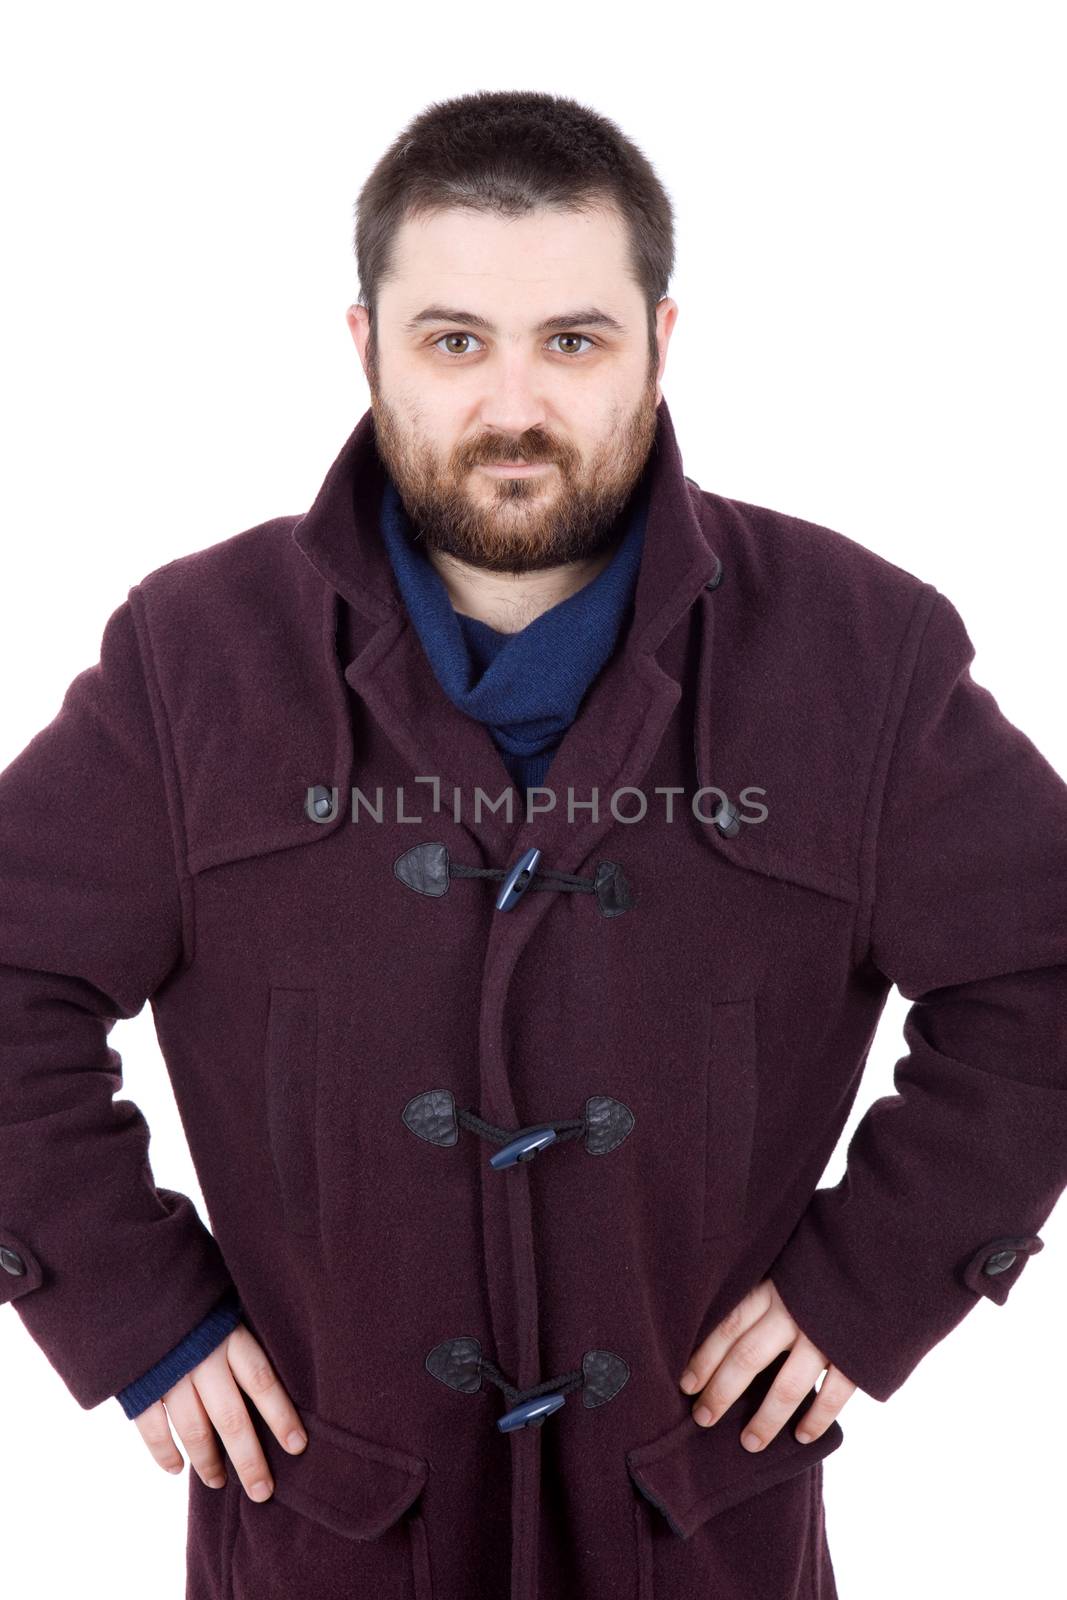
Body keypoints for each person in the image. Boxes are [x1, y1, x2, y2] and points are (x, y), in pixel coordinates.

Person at [2, 88, 1065, 1600]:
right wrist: (132, 1311)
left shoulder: (860, 650)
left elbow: (1045, 964)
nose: (513, 405)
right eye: (454, 342)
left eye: (573, 340)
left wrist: (871, 1287)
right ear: (365, 348)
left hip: (697, 1534)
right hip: (327, 1534)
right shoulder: (194, 660)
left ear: (660, 345)